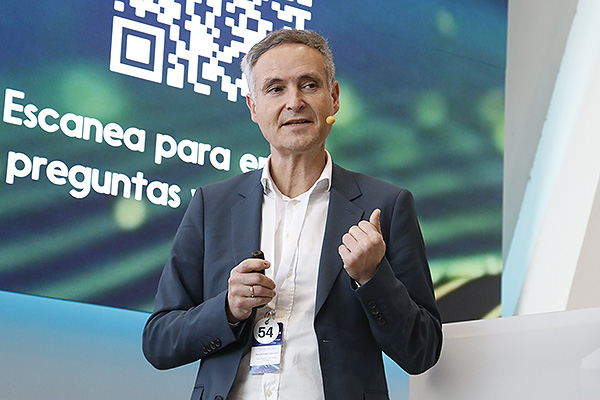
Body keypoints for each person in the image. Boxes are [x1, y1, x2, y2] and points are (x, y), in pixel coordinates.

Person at [142, 29, 442, 400]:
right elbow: (159, 341)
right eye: (275, 89)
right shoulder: (212, 205)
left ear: (334, 98)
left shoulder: (387, 205)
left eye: (309, 85)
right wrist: (228, 309)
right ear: (253, 107)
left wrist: (372, 277)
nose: (294, 102)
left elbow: (422, 350)